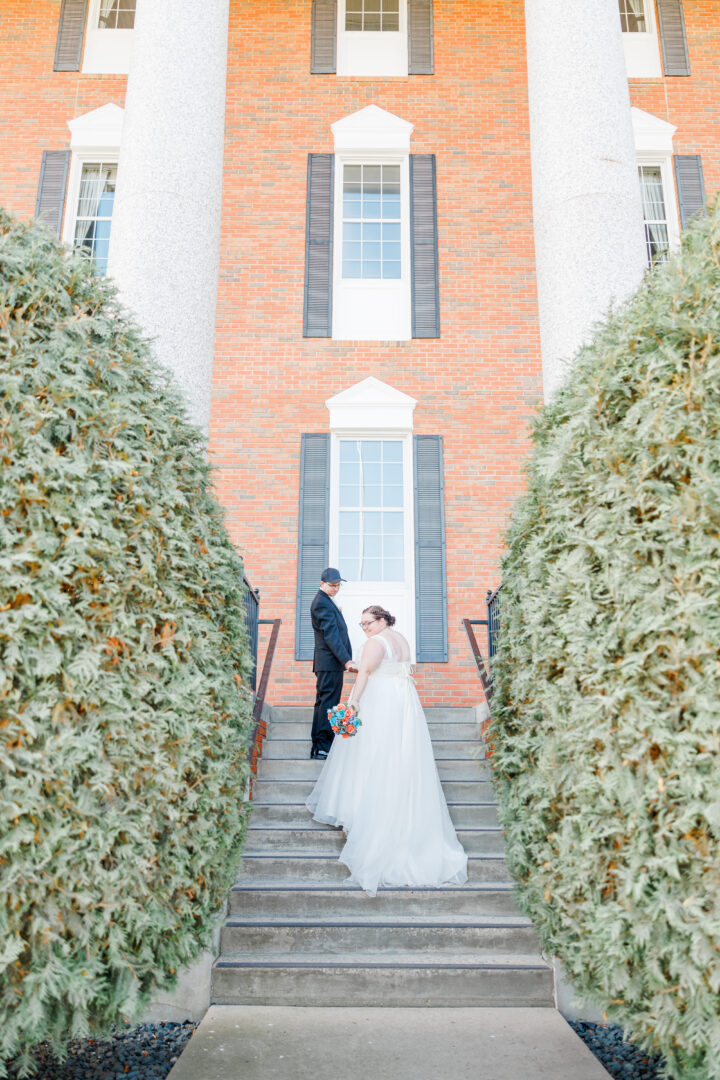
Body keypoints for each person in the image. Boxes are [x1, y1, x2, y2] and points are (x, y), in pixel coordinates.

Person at [306, 604, 468, 896]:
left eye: (368, 622)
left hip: (381, 701)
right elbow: (401, 669)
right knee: (400, 756)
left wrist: (352, 705)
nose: (364, 628)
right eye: (362, 624)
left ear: (382, 620)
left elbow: (365, 674)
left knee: (372, 756)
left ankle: (366, 814)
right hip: (403, 701)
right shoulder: (402, 639)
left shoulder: (375, 642)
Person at [309, 568, 357, 760]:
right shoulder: (322, 603)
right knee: (328, 703)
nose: (336, 589)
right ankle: (323, 747)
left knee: (323, 703)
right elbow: (331, 636)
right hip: (330, 663)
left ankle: (319, 746)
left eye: (338, 585)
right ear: (322, 584)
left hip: (328, 663)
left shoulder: (326, 601)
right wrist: (346, 660)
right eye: (332, 585)